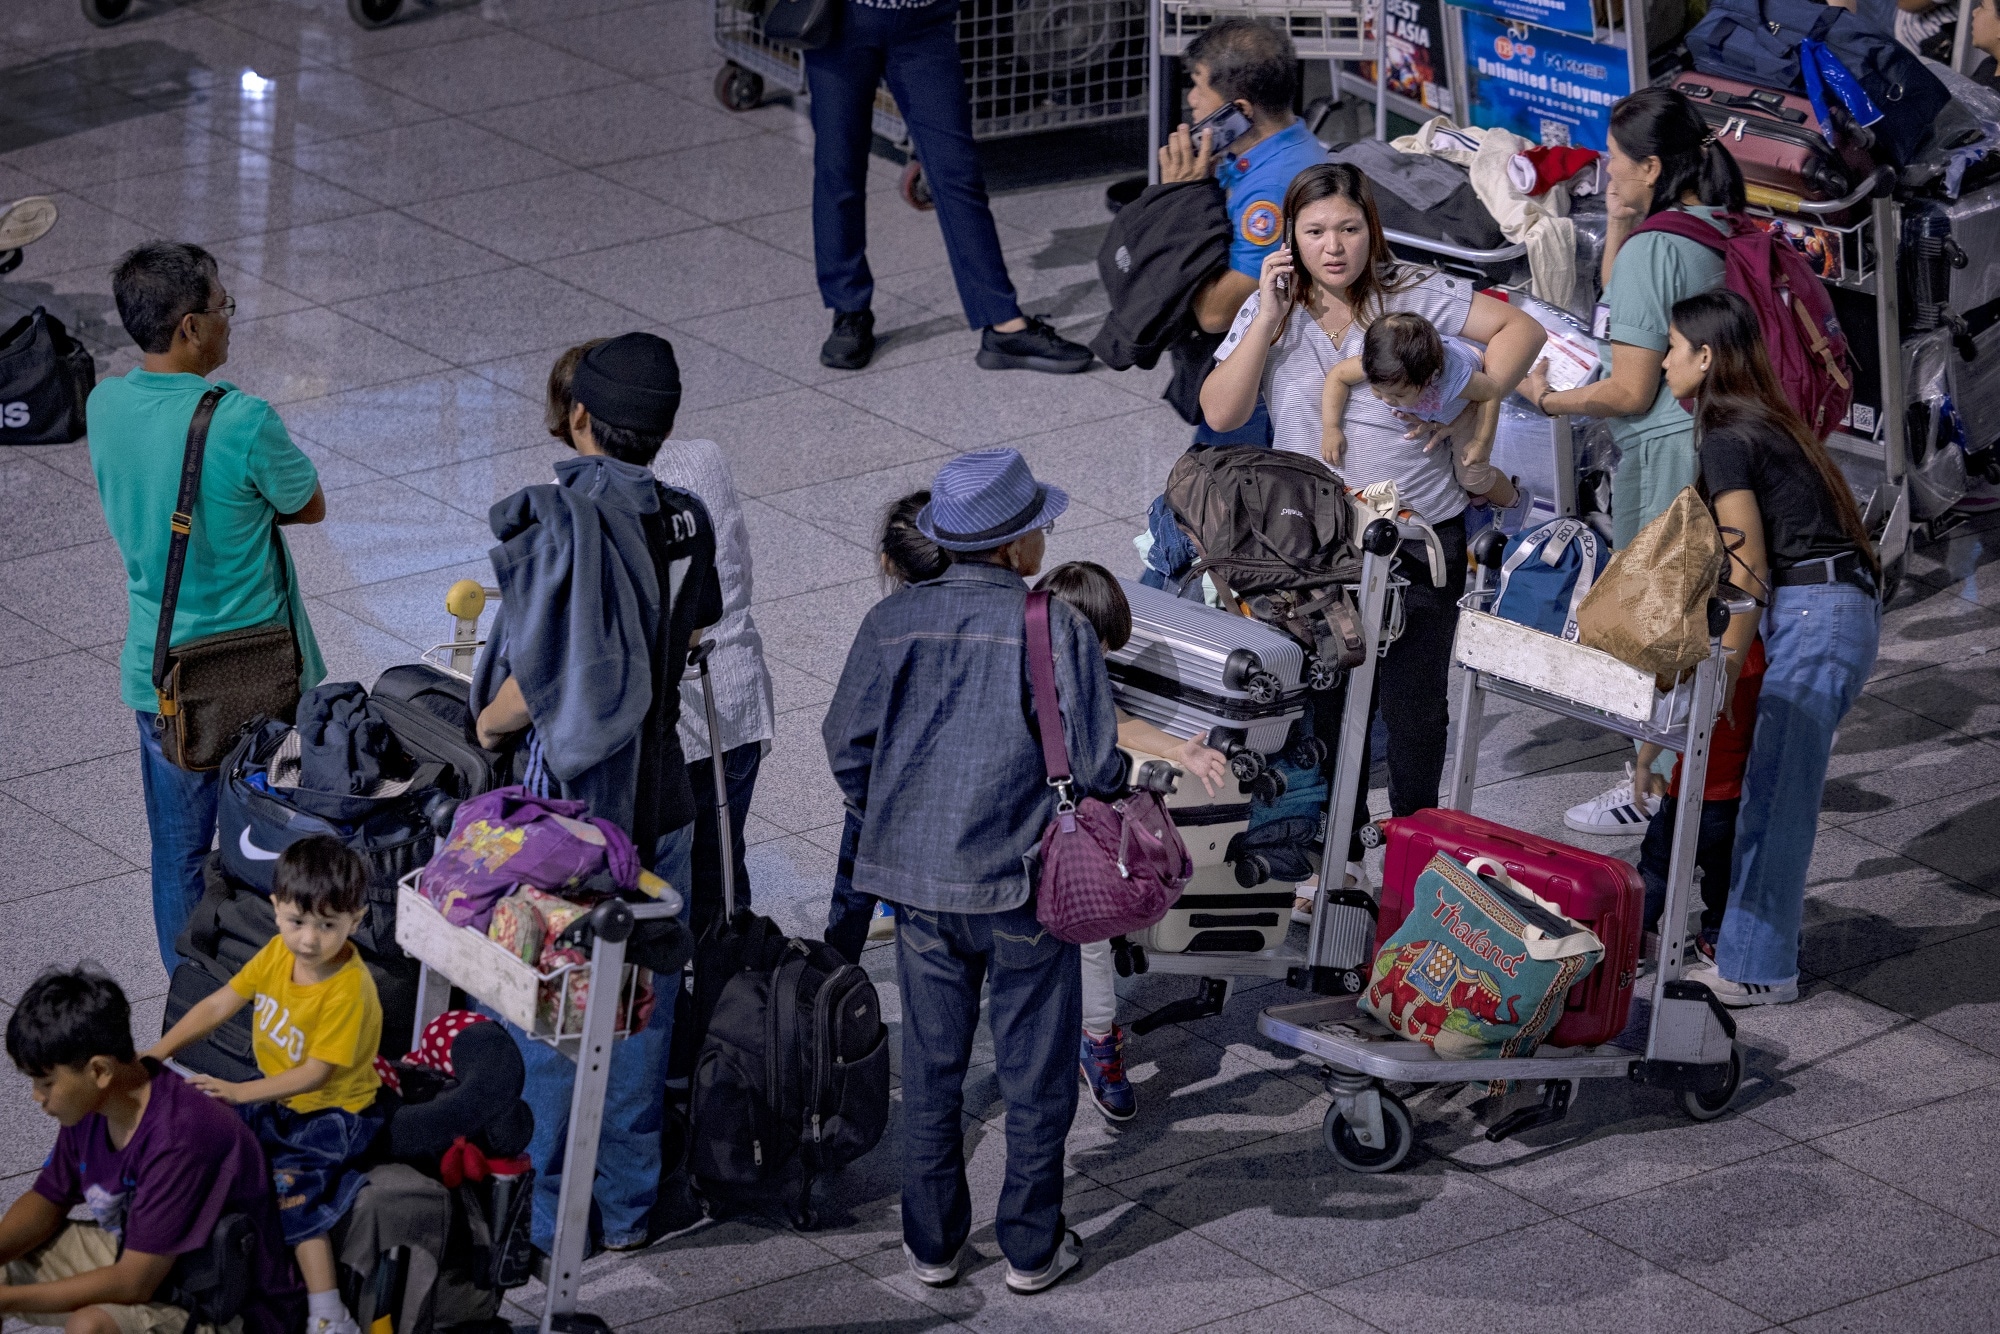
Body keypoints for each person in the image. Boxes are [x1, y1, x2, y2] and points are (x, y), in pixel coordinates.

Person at [1198, 162, 1546, 924]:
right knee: (1321, 708)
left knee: (1415, 712)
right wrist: (1266, 316)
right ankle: (1337, 857)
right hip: (1311, 551)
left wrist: (1469, 405)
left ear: (1372, 230)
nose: (1334, 247)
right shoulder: (1272, 308)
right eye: (1316, 231)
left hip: (1419, 542)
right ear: (1290, 236)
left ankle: (1418, 861)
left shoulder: (1411, 292)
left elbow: (1523, 330)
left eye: (1349, 229)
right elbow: (1221, 413)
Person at [823, 448, 1122, 1294]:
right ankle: (1031, 1247)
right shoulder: (1052, 625)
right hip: (1024, 885)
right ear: (1013, 545)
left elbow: (847, 746)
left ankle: (932, 1244)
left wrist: (899, 815)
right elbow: (1097, 766)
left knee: (931, 1070)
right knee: (1034, 1076)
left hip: (919, 893)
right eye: (1040, 527)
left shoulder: (889, 622)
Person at [471, 332, 723, 1253]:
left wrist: (485, 728)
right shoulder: (688, 518)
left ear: (580, 416)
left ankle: (546, 1221)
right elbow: (689, 636)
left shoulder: (562, 520)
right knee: (641, 1012)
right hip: (665, 805)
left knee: (546, 1011)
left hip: (571, 823)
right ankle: (625, 1208)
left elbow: (540, 681)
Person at [89, 241, 328, 979]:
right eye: (225, 306)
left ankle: (189, 997)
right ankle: (282, 985)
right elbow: (308, 505)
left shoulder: (103, 404)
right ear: (191, 327)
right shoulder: (242, 420)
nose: (230, 318)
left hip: (162, 677)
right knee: (279, 839)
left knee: (179, 854)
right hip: (262, 674)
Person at [1518, 87, 1743, 838]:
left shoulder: (1656, 249)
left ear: (1652, 167)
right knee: (1696, 615)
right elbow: (1627, 303)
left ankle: (1652, 789)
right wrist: (1620, 219)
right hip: (1712, 444)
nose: (1604, 169)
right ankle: (1671, 775)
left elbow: (1628, 387)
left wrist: (1548, 399)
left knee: (1659, 622)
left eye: (1616, 160)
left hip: (1666, 456)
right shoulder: (1707, 227)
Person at [1663, 290, 1883, 1006]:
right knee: (1774, 789)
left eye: (1672, 347)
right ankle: (1751, 955)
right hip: (1832, 604)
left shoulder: (1726, 433)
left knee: (1778, 794)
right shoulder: (1762, 418)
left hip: (1818, 611)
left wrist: (1723, 670)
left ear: (1705, 356)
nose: (1662, 361)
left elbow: (1747, 564)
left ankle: (1758, 970)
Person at [542, 341, 775, 941]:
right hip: (738, 704)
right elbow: (728, 576)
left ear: (576, 417)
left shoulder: (573, 504)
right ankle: (728, 993)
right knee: (722, 888)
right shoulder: (705, 461)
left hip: (655, 748)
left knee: (646, 915)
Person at [148, 837, 381, 1334]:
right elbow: (219, 1003)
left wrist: (238, 1093)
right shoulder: (278, 953)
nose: (309, 940)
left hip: (330, 1114)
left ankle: (328, 1313)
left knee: (291, 1191)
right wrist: (160, 1051)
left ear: (356, 920)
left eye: (327, 925)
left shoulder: (349, 989)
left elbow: (317, 1073)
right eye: (297, 922)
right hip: (275, 1090)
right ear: (276, 909)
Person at [2, 965, 304, 1334]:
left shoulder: (180, 1136)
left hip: (224, 1307)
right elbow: (48, 1199)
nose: (37, 1097)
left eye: (47, 1083)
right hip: (148, 1257)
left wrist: (7, 1300)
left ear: (99, 1071)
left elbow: (134, 1283)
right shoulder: (90, 1106)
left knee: (90, 1327)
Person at [1034, 561, 1229, 1124]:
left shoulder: (1064, 656)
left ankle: (1092, 1037)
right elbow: (1102, 754)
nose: (1098, 655)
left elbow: (1113, 719)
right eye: (1095, 643)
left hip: (1042, 824)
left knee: (1082, 936)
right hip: (1025, 823)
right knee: (1079, 934)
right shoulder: (1028, 662)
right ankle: (1089, 1042)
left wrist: (1177, 749)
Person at [803, 1, 1091, 375]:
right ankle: (849, 310)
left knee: (956, 173)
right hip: (842, 20)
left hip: (922, 21)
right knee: (838, 169)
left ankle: (1003, 323)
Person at [1157, 16, 1328, 445]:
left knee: (1212, 478)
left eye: (1199, 86)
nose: (1192, 99)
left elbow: (1215, 314)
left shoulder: (1271, 189)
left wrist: (1181, 202)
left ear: (1241, 110)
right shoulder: (1278, 147)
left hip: (1266, 384)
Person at [824, 491, 952, 965]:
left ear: (889, 563)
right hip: (960, 807)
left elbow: (844, 735)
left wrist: (871, 801)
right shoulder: (995, 612)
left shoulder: (886, 622)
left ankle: (835, 978)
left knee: (850, 899)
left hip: (886, 801)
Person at [1320, 311, 1534, 532]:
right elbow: (1338, 376)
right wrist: (1331, 427)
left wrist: (1481, 442)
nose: (1386, 399)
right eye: (1376, 389)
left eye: (1399, 395)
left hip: (1467, 404)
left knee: (1472, 475)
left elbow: (1491, 393)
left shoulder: (1455, 378)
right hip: (1430, 388)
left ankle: (1513, 502)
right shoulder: (1380, 365)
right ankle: (1478, 501)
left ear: (1430, 378)